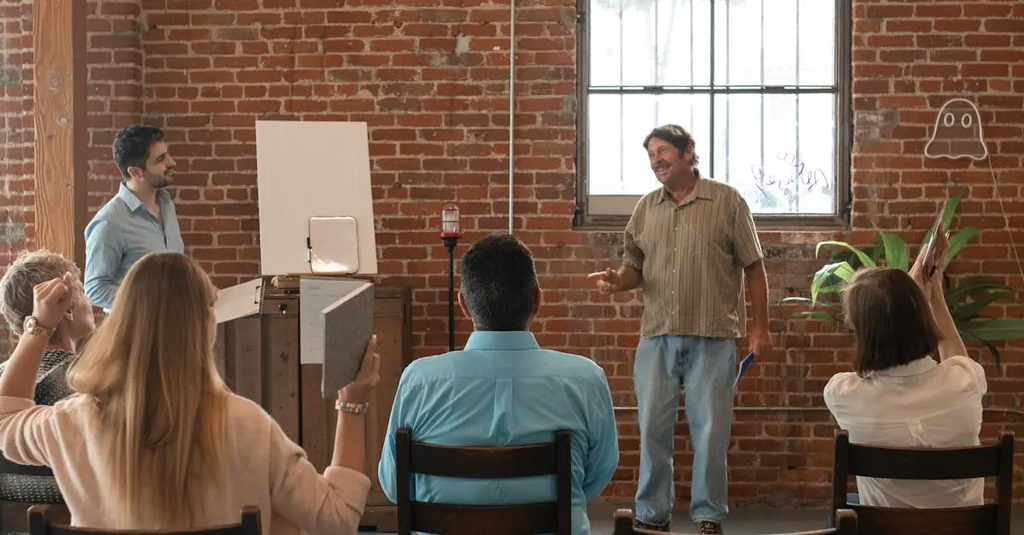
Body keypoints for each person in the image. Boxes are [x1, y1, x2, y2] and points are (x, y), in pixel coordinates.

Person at [0, 251, 379, 535]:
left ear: (120, 325)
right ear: (204, 325)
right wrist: (353, 402)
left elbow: (5, 418)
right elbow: (338, 519)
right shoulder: (248, 425)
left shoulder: (71, 423)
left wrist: (38, 326)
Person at [588, 125, 771, 534]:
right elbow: (634, 269)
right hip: (657, 336)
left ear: (688, 152)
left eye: (663, 151)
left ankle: (708, 516)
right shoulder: (645, 209)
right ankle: (652, 515)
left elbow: (755, 268)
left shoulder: (727, 201)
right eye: (651, 154)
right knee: (653, 431)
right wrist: (617, 282)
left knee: (711, 434)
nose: (656, 160)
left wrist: (761, 328)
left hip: (713, 336)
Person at [378, 234, 619, 535]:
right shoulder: (585, 380)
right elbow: (593, 481)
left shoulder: (419, 381)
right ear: (537, 301)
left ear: (464, 305)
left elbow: (395, 486)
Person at [824, 229, 985, 508]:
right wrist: (934, 292)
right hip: (964, 526)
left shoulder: (842, 393)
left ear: (863, 333)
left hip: (884, 527)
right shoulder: (965, 382)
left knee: (843, 507)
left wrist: (909, 298)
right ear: (921, 318)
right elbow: (959, 360)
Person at [0, 250, 96, 508]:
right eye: (83, 292)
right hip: (77, 517)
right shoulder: (91, 383)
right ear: (68, 308)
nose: (90, 302)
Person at [84, 124, 184, 311]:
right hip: (135, 327)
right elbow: (95, 289)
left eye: (167, 154)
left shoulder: (166, 204)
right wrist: (150, 302)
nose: (172, 162)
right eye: (161, 159)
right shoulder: (109, 222)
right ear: (135, 172)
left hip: (173, 322)